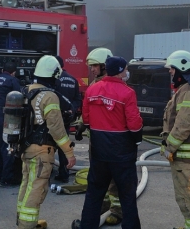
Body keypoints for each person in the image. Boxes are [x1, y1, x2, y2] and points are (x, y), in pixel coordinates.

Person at [76, 56, 143, 229]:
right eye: (126, 69)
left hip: (99, 152)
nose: (127, 72)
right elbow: (134, 125)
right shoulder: (128, 93)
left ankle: (86, 226)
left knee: (94, 194)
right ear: (120, 71)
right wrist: (136, 140)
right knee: (127, 197)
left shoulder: (92, 90)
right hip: (122, 153)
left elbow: (87, 119)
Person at [16, 55, 76, 229]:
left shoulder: (26, 90)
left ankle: (22, 221)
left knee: (26, 184)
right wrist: (69, 153)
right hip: (42, 150)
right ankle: (27, 225)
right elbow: (57, 130)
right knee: (37, 188)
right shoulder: (49, 96)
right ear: (54, 75)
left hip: (26, 147)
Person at [78, 47, 125, 226]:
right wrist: (82, 124)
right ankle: (103, 206)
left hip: (113, 140)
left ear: (105, 66)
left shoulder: (117, 85)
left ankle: (117, 210)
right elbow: (88, 109)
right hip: (97, 140)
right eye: (91, 66)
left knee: (114, 176)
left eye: (95, 66)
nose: (92, 69)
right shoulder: (93, 85)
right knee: (99, 175)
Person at [161, 50, 190, 229]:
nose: (170, 72)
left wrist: (169, 147)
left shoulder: (188, 91)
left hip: (185, 156)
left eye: (172, 69)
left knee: (187, 197)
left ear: (181, 68)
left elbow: (184, 124)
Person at [0, 61, 21, 186]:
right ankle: (7, 178)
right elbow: (19, 97)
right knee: (7, 146)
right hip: (3, 117)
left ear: (2, 70)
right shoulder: (12, 80)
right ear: (14, 72)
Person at [54, 55, 82, 183]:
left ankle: (44, 174)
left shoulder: (53, 79)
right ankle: (64, 174)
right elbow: (78, 99)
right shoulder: (72, 79)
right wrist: (72, 109)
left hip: (53, 118)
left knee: (47, 146)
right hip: (66, 117)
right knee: (64, 146)